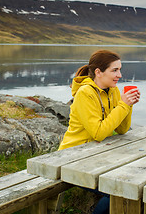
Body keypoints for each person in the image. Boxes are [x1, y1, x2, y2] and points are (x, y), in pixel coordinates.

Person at [58, 49, 140, 214]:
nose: (120, 75)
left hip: (95, 154)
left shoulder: (113, 90)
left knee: (135, 184)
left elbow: (122, 129)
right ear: (98, 72)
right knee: (118, 193)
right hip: (73, 156)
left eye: (120, 69)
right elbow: (98, 133)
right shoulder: (85, 93)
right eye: (115, 70)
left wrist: (128, 105)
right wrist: (123, 105)